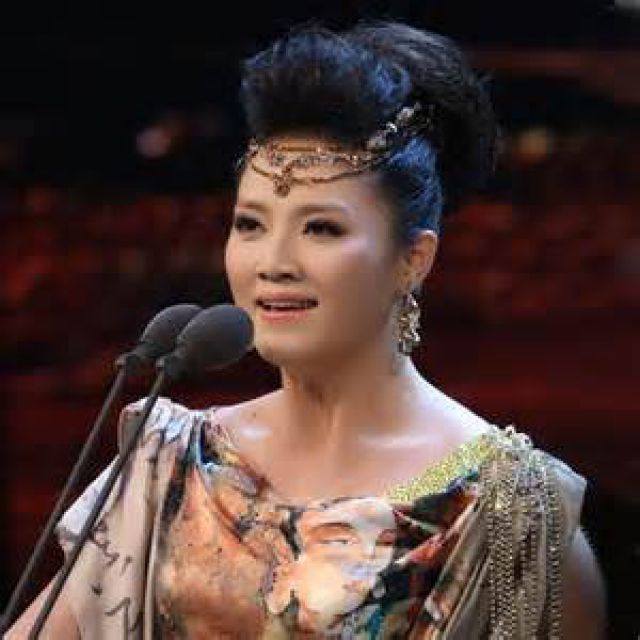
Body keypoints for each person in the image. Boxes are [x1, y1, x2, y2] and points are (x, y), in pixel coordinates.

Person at [7, 20, 606, 639]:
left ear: (413, 259)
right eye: (250, 224)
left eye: (321, 228)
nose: (273, 263)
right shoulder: (169, 463)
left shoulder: (510, 511)